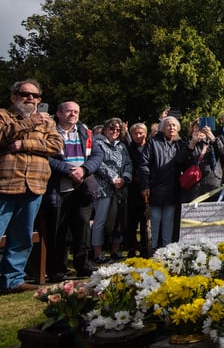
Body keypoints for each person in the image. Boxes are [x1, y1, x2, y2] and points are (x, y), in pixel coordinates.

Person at [0, 79, 62, 293]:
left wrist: (23, 144)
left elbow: (56, 145)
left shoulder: (47, 122)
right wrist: (29, 123)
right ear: (14, 97)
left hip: (34, 184)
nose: (31, 99)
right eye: (26, 94)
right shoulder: (4, 116)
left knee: (22, 235)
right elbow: (1, 135)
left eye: (35, 96)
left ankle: (13, 280)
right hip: (6, 182)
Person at [45, 101, 104, 281]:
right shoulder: (49, 132)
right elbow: (46, 157)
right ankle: (57, 269)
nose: (73, 114)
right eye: (69, 111)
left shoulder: (85, 132)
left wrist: (84, 170)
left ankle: (83, 266)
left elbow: (97, 155)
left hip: (82, 188)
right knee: (58, 229)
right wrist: (69, 170)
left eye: (76, 111)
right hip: (58, 188)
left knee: (82, 227)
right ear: (59, 113)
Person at [138, 116, 192, 250]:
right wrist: (145, 185)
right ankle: (153, 249)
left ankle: (167, 251)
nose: (171, 127)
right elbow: (143, 165)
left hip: (173, 189)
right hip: (155, 188)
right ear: (162, 128)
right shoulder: (152, 142)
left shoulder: (180, 144)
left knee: (169, 221)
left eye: (174, 125)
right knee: (154, 220)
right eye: (168, 125)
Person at [91, 118, 132, 264]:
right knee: (101, 220)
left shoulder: (121, 146)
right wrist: (113, 178)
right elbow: (97, 163)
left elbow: (128, 163)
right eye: (111, 129)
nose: (114, 132)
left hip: (120, 188)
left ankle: (115, 251)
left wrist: (123, 179)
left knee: (118, 221)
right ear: (105, 129)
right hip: (103, 187)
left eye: (118, 130)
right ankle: (97, 253)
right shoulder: (97, 143)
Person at [181, 118, 223, 203]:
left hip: (213, 185)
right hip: (194, 186)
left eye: (202, 127)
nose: (200, 130)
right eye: (196, 127)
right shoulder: (187, 144)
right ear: (192, 129)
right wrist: (192, 143)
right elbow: (181, 161)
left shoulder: (215, 141)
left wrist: (212, 139)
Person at [124, 122, 149, 257]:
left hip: (147, 188)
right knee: (132, 221)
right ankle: (132, 247)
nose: (139, 136)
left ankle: (145, 246)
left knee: (146, 220)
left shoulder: (149, 147)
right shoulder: (128, 148)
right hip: (133, 189)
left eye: (141, 133)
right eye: (136, 134)